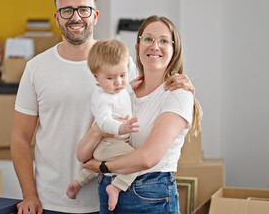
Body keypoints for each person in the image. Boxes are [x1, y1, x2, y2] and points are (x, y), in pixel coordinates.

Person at [11, 0, 195, 214]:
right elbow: (19, 137)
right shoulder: (36, 68)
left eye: (83, 10)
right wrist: (29, 195)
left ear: (95, 15)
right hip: (53, 201)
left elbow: (155, 87)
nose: (76, 17)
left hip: (108, 197)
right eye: (67, 10)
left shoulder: (122, 63)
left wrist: (183, 82)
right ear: (57, 18)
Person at [78, 15, 203, 214]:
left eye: (163, 41)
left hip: (149, 194)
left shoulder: (178, 95)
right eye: (148, 39)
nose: (155, 46)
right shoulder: (122, 91)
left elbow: (149, 157)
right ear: (137, 47)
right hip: (107, 191)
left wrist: (103, 166)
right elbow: (84, 154)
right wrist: (98, 130)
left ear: (174, 49)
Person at [66, 39, 140, 211]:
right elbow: (104, 122)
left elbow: (126, 92)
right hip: (109, 143)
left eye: (123, 75)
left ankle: (76, 183)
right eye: (111, 78)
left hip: (111, 145)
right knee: (135, 160)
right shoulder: (102, 97)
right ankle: (116, 187)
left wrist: (132, 85)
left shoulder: (118, 88)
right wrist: (123, 128)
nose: (119, 82)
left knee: (97, 166)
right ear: (95, 77)